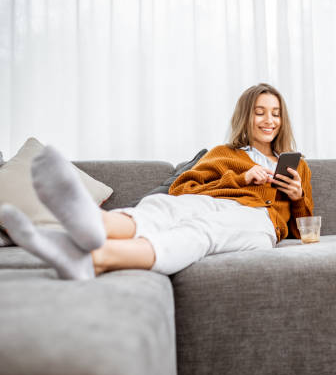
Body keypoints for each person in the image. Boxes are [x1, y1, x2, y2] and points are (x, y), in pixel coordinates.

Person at [0, 83, 313, 279]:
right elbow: (181, 189)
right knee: (163, 207)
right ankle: (96, 224)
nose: (269, 120)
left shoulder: (297, 165)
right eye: (260, 112)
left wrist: (297, 196)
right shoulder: (222, 154)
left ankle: (98, 257)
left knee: (203, 231)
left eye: (275, 113)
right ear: (246, 117)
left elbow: (305, 232)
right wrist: (240, 177)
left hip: (257, 222)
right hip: (209, 203)